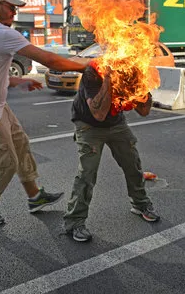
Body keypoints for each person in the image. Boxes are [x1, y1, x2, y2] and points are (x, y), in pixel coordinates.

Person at [0, 0, 87, 226]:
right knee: (5, 165)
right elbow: (47, 59)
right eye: (10, 8)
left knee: (21, 146)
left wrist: (17, 80)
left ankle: (35, 196)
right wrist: (87, 67)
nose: (14, 13)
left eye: (16, 9)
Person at [63, 62, 159, 242]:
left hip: (116, 124)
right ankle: (74, 221)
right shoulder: (94, 72)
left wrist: (142, 87)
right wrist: (108, 78)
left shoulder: (132, 71)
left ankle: (140, 204)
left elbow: (144, 111)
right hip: (88, 125)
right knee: (87, 174)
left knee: (133, 164)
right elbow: (98, 114)